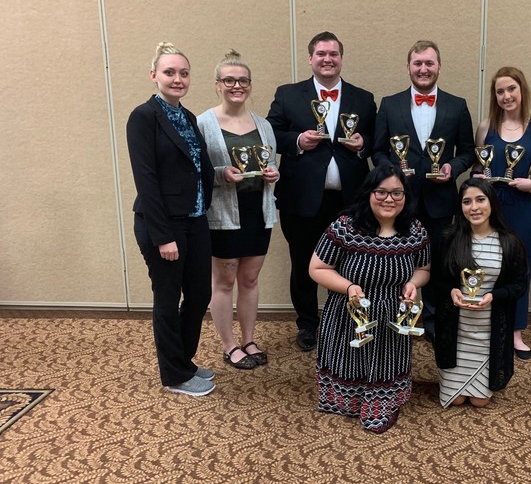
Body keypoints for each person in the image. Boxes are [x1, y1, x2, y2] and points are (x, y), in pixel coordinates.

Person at [267, 31, 377, 352]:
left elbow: (377, 138)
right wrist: (297, 141)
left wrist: (363, 144)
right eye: (321, 54)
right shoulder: (288, 95)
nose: (327, 59)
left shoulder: (363, 98)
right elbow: (271, 132)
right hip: (301, 199)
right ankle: (307, 325)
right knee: (303, 263)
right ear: (310, 59)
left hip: (349, 202)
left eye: (333, 54)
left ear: (341, 58)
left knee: (347, 266)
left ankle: (337, 321)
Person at [309, 164, 431, 433]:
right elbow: (317, 268)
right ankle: (348, 397)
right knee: (349, 368)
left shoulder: (414, 230)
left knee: (386, 365)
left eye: (397, 193)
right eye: (382, 192)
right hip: (349, 312)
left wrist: (413, 282)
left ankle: (384, 399)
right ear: (369, 193)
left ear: (406, 197)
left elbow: (424, 269)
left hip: (392, 314)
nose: (389, 199)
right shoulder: (345, 227)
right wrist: (349, 286)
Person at [127, 42, 215, 397]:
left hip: (195, 220)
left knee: (199, 294)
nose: (177, 79)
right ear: (154, 76)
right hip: (161, 224)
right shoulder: (143, 117)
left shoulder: (188, 117)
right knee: (167, 298)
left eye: (183, 73)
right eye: (169, 72)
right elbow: (146, 180)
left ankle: (183, 360)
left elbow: (196, 169)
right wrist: (164, 236)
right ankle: (174, 375)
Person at [373, 40, 475, 337]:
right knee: (394, 263)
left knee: (439, 265)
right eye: (418, 63)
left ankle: (432, 323)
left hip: (440, 201)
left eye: (429, 63)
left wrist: (452, 168)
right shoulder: (389, 104)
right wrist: (392, 174)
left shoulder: (457, 105)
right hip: (397, 202)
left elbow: (467, 151)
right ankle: (394, 322)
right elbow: (377, 151)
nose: (423, 69)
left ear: (439, 66)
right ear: (408, 67)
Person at [197, 50, 279, 370]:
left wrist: (274, 173)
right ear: (218, 84)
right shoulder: (203, 123)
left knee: (249, 279)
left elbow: (270, 163)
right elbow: (199, 170)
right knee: (224, 281)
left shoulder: (263, 124)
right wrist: (221, 174)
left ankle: (248, 338)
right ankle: (229, 345)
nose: (236, 86)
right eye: (229, 80)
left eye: (242, 80)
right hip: (223, 213)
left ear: (249, 85)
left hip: (258, 211)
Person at [472, 67, 531, 360]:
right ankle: (487, 326)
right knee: (486, 266)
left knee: (520, 268)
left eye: (511, 89)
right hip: (490, 209)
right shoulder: (485, 127)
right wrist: (478, 178)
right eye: (500, 91)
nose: (506, 96)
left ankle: (516, 331)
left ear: (522, 90)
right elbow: (479, 167)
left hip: (523, 208)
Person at [434, 179, 527, 407]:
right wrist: (453, 291)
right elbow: (437, 280)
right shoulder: (450, 238)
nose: (474, 207)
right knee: (455, 401)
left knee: (479, 402)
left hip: (488, 331)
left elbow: (518, 285)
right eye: (467, 202)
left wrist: (494, 296)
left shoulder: (509, 242)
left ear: (492, 203)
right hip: (457, 330)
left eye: (480, 200)